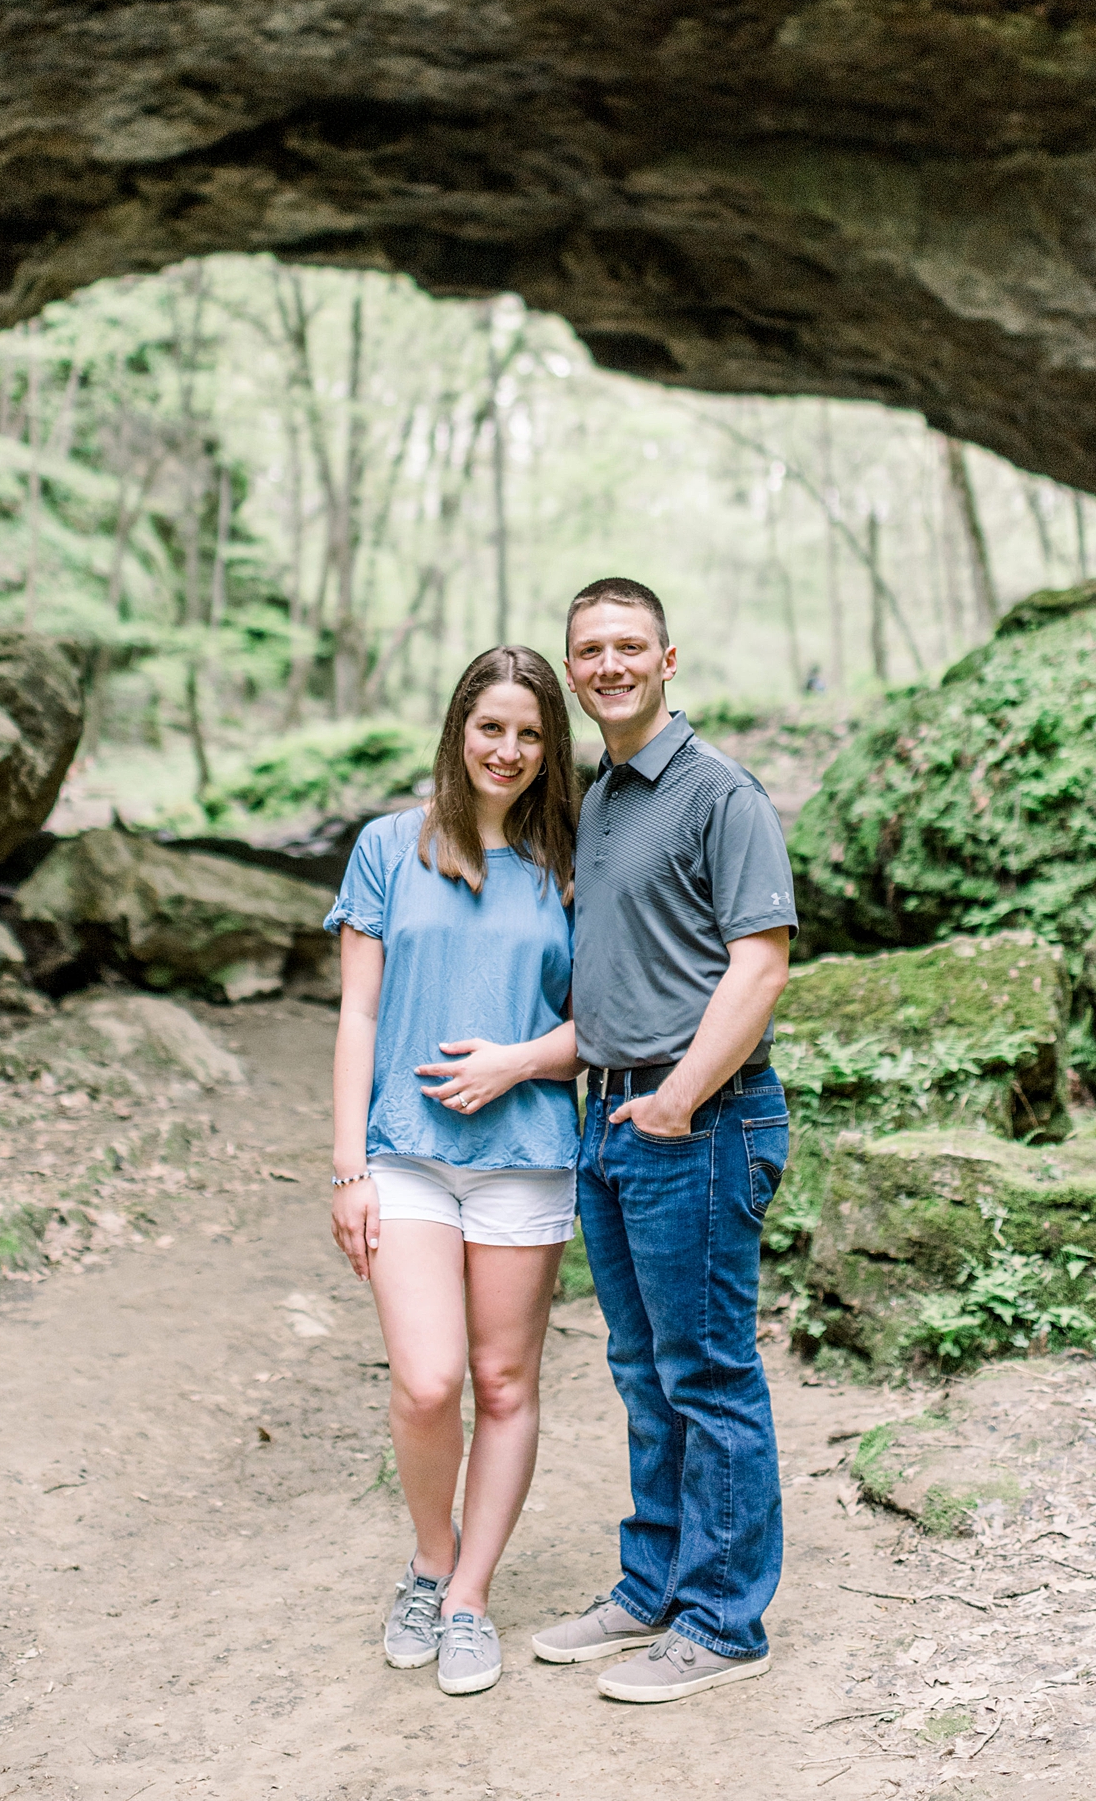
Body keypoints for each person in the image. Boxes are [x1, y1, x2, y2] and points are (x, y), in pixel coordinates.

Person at [534, 576, 796, 1705]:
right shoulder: (601, 796)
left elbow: (761, 963)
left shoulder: (716, 792)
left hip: (700, 1118)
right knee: (644, 1372)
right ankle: (654, 1588)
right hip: (616, 1117)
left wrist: (683, 1096)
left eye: (628, 645)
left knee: (708, 1373)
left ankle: (726, 1622)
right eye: (589, 649)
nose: (609, 664)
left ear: (669, 658)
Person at [326, 645, 581, 1698]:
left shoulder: (575, 862)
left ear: (549, 747)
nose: (508, 751)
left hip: (526, 1160)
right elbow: (359, 1012)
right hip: (406, 1157)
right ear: (458, 731)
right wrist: (348, 1166)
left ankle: (471, 1596)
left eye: (529, 735)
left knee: (504, 1380)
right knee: (428, 1383)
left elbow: (613, 1021)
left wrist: (519, 1060)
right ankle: (429, 1563)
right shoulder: (390, 847)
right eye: (492, 729)